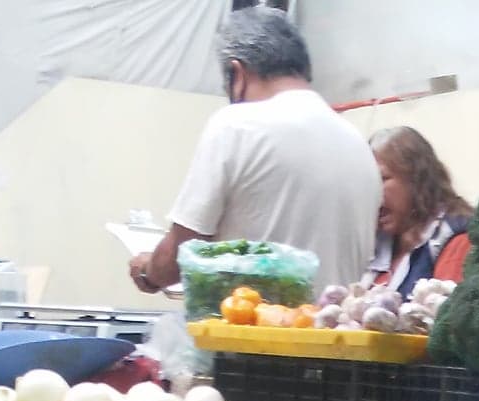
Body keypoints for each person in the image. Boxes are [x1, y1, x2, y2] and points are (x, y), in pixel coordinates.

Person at [130, 10, 379, 296]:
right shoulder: (357, 143)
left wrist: (148, 269)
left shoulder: (236, 125)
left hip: (255, 335)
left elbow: (181, 255)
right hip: (335, 334)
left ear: (237, 73)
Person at [367, 126, 473, 297]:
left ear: (416, 179)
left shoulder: (457, 240)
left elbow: (447, 317)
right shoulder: (378, 247)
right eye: (368, 182)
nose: (372, 193)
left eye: (382, 179)